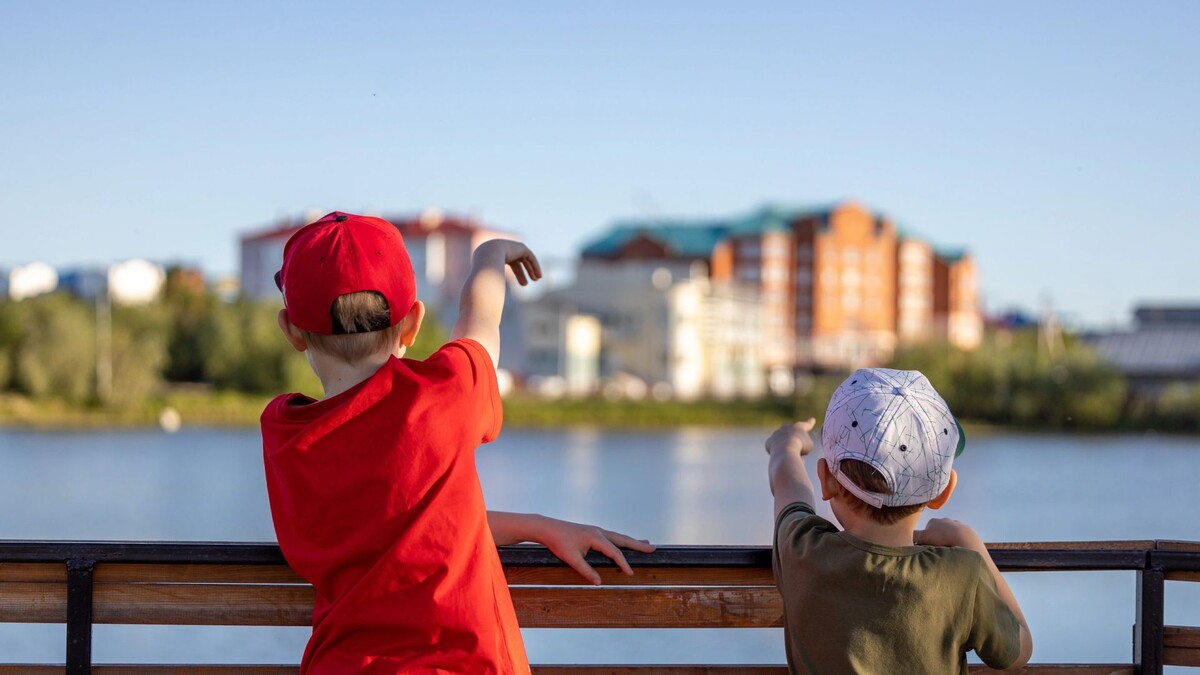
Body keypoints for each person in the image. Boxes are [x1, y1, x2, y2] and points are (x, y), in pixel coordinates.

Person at [261, 211, 654, 674]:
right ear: (412, 325)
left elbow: (399, 523)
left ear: (291, 332)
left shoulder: (285, 434)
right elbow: (480, 322)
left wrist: (536, 525)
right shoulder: (440, 397)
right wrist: (489, 257)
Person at [765, 368, 1033, 674]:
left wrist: (787, 445)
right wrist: (971, 545)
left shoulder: (802, 549)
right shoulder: (962, 574)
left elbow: (788, 485)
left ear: (826, 479)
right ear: (943, 492)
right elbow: (1019, 652)